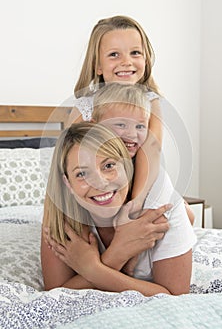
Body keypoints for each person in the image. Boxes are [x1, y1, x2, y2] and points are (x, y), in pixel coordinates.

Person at [41, 121, 196, 296]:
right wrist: (117, 254)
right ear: (67, 183)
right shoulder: (59, 218)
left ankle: (186, 212)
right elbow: (53, 297)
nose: (100, 183)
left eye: (108, 165)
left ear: (127, 166)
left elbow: (176, 296)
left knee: (182, 213)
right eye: (82, 174)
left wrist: (93, 269)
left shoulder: (161, 207)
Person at [67, 15, 163, 215]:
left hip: (141, 188)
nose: (127, 62)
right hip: (99, 190)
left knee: (186, 215)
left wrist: (136, 203)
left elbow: (151, 149)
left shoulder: (150, 100)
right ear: (98, 66)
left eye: (135, 52)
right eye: (114, 55)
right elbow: (69, 157)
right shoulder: (86, 105)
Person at [92, 82, 195, 225]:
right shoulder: (89, 164)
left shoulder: (144, 166)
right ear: (94, 125)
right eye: (121, 125)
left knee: (186, 213)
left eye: (140, 126)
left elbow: (188, 218)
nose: (132, 134)